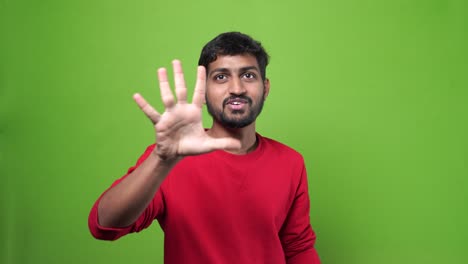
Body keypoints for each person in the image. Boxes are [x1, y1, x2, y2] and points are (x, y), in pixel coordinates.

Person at [88, 32, 320, 263]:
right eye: (221, 77)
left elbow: (298, 248)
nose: (236, 88)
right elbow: (104, 225)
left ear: (265, 87)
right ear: (205, 92)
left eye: (248, 75)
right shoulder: (169, 159)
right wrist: (162, 159)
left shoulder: (291, 162)